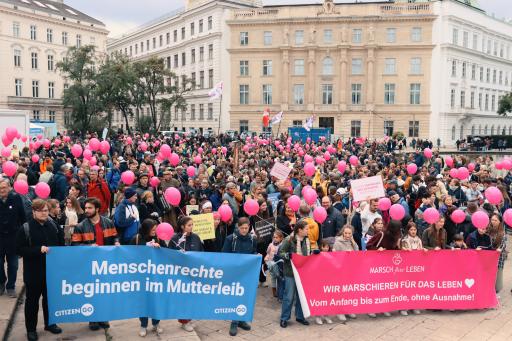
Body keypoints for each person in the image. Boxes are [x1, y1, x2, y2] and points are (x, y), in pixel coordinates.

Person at [16, 199, 64, 341]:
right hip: (33, 273)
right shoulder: (26, 228)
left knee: (50, 300)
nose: (44, 213)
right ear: (34, 212)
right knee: (32, 302)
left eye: (46, 210)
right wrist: (38, 250)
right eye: (40, 211)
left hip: (51, 272)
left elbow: (61, 245)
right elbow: (19, 249)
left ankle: (50, 323)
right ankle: (31, 329)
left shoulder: (53, 225)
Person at [71, 198, 120, 331]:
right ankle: (92, 318)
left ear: (97, 209)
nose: (86, 210)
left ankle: (103, 317)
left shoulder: (108, 223)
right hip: (89, 265)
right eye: (85, 208)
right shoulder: (80, 226)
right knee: (91, 292)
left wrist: (116, 242)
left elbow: (115, 236)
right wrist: (88, 246)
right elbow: (74, 246)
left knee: (104, 292)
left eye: (90, 208)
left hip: (106, 264)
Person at [222, 217, 258, 336]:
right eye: (242, 228)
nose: (244, 230)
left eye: (246, 228)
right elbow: (224, 256)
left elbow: (253, 253)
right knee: (235, 297)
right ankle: (234, 321)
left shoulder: (253, 239)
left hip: (247, 274)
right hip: (234, 274)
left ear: (249, 228)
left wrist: (257, 256)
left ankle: (241, 319)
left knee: (245, 297)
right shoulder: (230, 239)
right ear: (238, 227)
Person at [279, 219, 317, 328]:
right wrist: (288, 255)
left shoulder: (307, 240)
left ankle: (300, 316)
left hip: (303, 272)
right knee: (289, 296)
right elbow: (280, 253)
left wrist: (314, 252)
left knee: (301, 296)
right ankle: (284, 318)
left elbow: (308, 254)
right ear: (299, 230)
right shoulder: (289, 239)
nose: (308, 231)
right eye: (306, 229)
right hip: (290, 272)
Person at [130, 218, 164, 337]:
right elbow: (129, 255)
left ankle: (156, 323)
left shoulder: (159, 238)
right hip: (141, 277)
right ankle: (143, 325)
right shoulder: (137, 239)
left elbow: (166, 253)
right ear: (146, 229)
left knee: (156, 300)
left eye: (156, 229)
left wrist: (160, 248)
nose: (155, 231)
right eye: (152, 229)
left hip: (155, 276)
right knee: (143, 302)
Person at [169, 216, 203, 332]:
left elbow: (201, 254)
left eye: (192, 225)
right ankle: (184, 321)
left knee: (192, 297)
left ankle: (189, 318)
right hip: (180, 274)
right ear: (182, 226)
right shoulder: (175, 238)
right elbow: (169, 256)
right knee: (184, 298)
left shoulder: (196, 237)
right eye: (189, 225)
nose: (191, 227)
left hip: (193, 273)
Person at [0, 178, 26, 297]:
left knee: (13, 265)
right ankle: (1, 283)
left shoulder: (16, 198)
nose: (1, 190)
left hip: (13, 238)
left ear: (9, 188)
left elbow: (23, 217)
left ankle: (11, 286)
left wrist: (24, 234)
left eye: (4, 188)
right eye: (0, 188)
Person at [332, 225, 359, 321]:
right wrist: (344, 254)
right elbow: (334, 258)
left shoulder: (352, 242)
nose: (347, 235)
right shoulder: (338, 243)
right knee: (341, 292)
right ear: (343, 232)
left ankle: (348, 309)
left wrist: (353, 242)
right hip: (341, 271)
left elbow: (357, 252)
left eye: (349, 233)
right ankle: (339, 311)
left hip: (350, 270)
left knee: (349, 291)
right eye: (346, 233)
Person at [315, 240, 334, 325]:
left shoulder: (331, 255)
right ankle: (318, 316)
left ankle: (326, 316)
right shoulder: (317, 255)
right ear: (320, 247)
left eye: (327, 247)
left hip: (328, 280)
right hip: (319, 281)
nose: (326, 248)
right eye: (324, 246)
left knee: (327, 299)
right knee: (319, 299)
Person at [487, 214, 507, 293]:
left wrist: (500, 249)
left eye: (495, 220)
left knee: (498, 272)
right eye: (492, 220)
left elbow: (504, 244)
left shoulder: (502, 232)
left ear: (499, 221)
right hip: (489, 255)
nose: (493, 222)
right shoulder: (488, 229)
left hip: (499, 256)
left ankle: (496, 289)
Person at [265, 230, 284, 298]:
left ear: (281, 238)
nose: (275, 239)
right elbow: (268, 252)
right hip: (271, 263)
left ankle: (280, 291)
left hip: (279, 263)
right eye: (274, 237)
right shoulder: (271, 244)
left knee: (279, 276)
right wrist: (266, 259)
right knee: (273, 277)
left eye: (277, 237)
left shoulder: (282, 245)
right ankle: (274, 291)